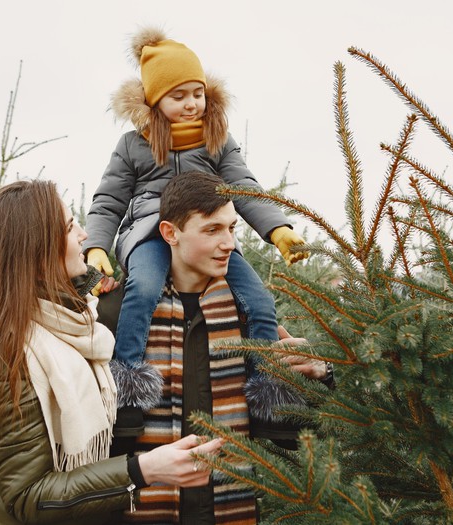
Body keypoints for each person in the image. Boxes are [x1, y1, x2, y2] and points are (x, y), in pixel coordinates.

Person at [0, 180, 223, 525]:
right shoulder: (9, 350)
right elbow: (27, 496)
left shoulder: (77, 320)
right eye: (70, 227)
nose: (84, 234)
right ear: (37, 248)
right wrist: (144, 468)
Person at [109, 171, 332, 524]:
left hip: (228, 510)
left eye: (232, 229)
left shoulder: (249, 316)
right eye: (212, 230)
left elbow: (294, 434)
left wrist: (319, 373)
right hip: (139, 510)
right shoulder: (117, 315)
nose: (228, 243)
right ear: (170, 233)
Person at [84, 27, 310, 373]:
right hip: (150, 235)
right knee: (142, 290)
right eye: (178, 96)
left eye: (197, 93)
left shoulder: (216, 139)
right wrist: (96, 246)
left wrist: (277, 228)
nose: (191, 104)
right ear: (155, 100)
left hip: (207, 236)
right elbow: (109, 200)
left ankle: (267, 380)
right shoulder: (132, 145)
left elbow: (243, 185)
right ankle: (128, 377)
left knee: (258, 300)